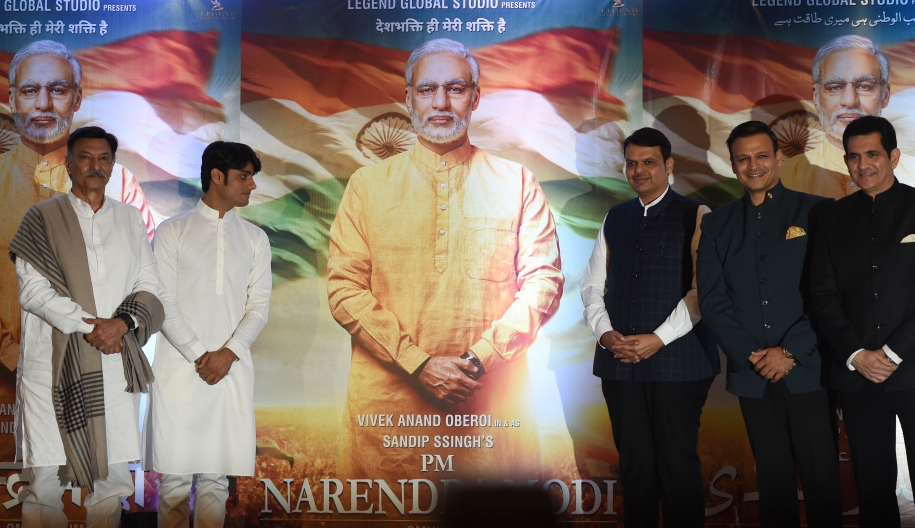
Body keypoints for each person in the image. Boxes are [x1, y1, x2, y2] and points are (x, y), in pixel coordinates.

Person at [326, 38, 564, 484]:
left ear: (475, 97)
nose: (440, 102)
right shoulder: (367, 186)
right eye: (426, 89)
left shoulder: (516, 183)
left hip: (489, 410)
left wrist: (478, 360)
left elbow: (543, 282)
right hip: (388, 416)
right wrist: (418, 363)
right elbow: (343, 289)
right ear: (408, 97)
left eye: (455, 88)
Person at [0, 39, 154, 461]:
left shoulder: (119, 185)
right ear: (11, 97)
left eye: (58, 89)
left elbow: (144, 285)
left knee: (90, 504)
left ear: (77, 98)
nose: (44, 103)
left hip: (91, 381)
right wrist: (14, 356)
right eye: (30, 91)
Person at [8, 126, 161, 527]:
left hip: (113, 365)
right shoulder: (41, 217)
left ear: (113, 165)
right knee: (45, 481)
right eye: (86, 157)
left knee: (111, 481)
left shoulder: (130, 219)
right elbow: (33, 291)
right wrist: (93, 327)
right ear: (69, 163)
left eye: (104, 158)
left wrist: (122, 324)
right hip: (54, 368)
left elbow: (149, 283)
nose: (96, 166)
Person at [697, 121, 842, 527]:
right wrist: (756, 358)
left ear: (779, 157)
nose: (754, 165)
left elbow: (827, 295)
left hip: (809, 369)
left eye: (762, 155)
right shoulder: (717, 224)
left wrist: (789, 351)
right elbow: (712, 300)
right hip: (752, 373)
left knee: (821, 480)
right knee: (773, 482)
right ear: (732, 165)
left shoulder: (816, 211)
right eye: (743, 158)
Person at [580, 127, 718, 528]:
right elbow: (592, 286)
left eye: (649, 162)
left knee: (677, 465)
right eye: (632, 163)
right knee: (635, 468)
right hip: (619, 361)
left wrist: (658, 339)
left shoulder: (696, 213)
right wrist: (606, 336)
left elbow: (702, 292)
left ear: (668, 165)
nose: (639, 170)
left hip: (680, 361)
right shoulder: (615, 216)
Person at [145, 141, 271, 528]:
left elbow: (259, 307)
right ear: (217, 177)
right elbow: (161, 300)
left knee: (217, 479)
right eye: (244, 176)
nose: (251, 185)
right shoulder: (172, 231)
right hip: (179, 371)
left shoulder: (255, 238)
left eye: (252, 177)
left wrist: (227, 354)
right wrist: (202, 354)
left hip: (230, 371)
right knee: (175, 482)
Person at [810, 115, 915, 527]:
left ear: (893, 156)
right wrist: (857, 354)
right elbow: (822, 295)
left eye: (872, 154)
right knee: (872, 486)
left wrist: (890, 352)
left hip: (914, 367)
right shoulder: (830, 218)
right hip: (856, 376)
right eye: (853, 157)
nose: (862, 165)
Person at [782, 35, 915, 198]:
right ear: (816, 98)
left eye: (864, 86)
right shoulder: (784, 179)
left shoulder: (912, 175)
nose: (850, 101)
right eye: (835, 87)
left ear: (885, 95)